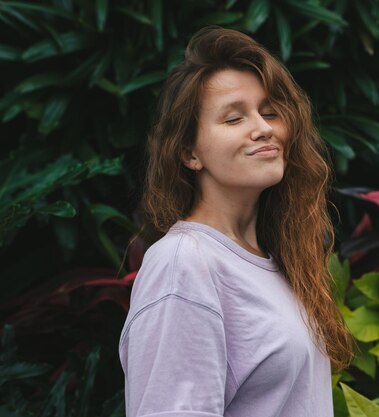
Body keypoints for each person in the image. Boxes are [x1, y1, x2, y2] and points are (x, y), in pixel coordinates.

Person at [118, 26, 354, 417]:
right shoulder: (185, 264)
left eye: (269, 112)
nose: (263, 128)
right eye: (233, 119)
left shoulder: (276, 261)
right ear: (190, 153)